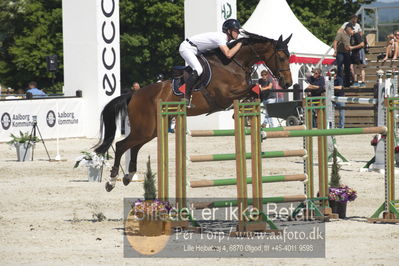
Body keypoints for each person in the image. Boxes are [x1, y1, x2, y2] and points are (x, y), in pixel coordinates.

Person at [179, 18, 244, 107]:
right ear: (229, 31)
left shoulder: (224, 39)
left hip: (196, 49)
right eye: (236, 30)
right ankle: (186, 97)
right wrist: (240, 44)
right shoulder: (221, 38)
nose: (238, 32)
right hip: (187, 48)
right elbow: (228, 54)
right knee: (198, 69)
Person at [333, 23, 355, 88]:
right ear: (348, 29)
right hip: (340, 53)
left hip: (347, 53)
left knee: (347, 68)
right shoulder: (341, 34)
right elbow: (335, 42)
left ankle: (347, 82)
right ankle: (341, 82)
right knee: (340, 67)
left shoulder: (350, 35)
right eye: (351, 29)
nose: (352, 31)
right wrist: (335, 51)